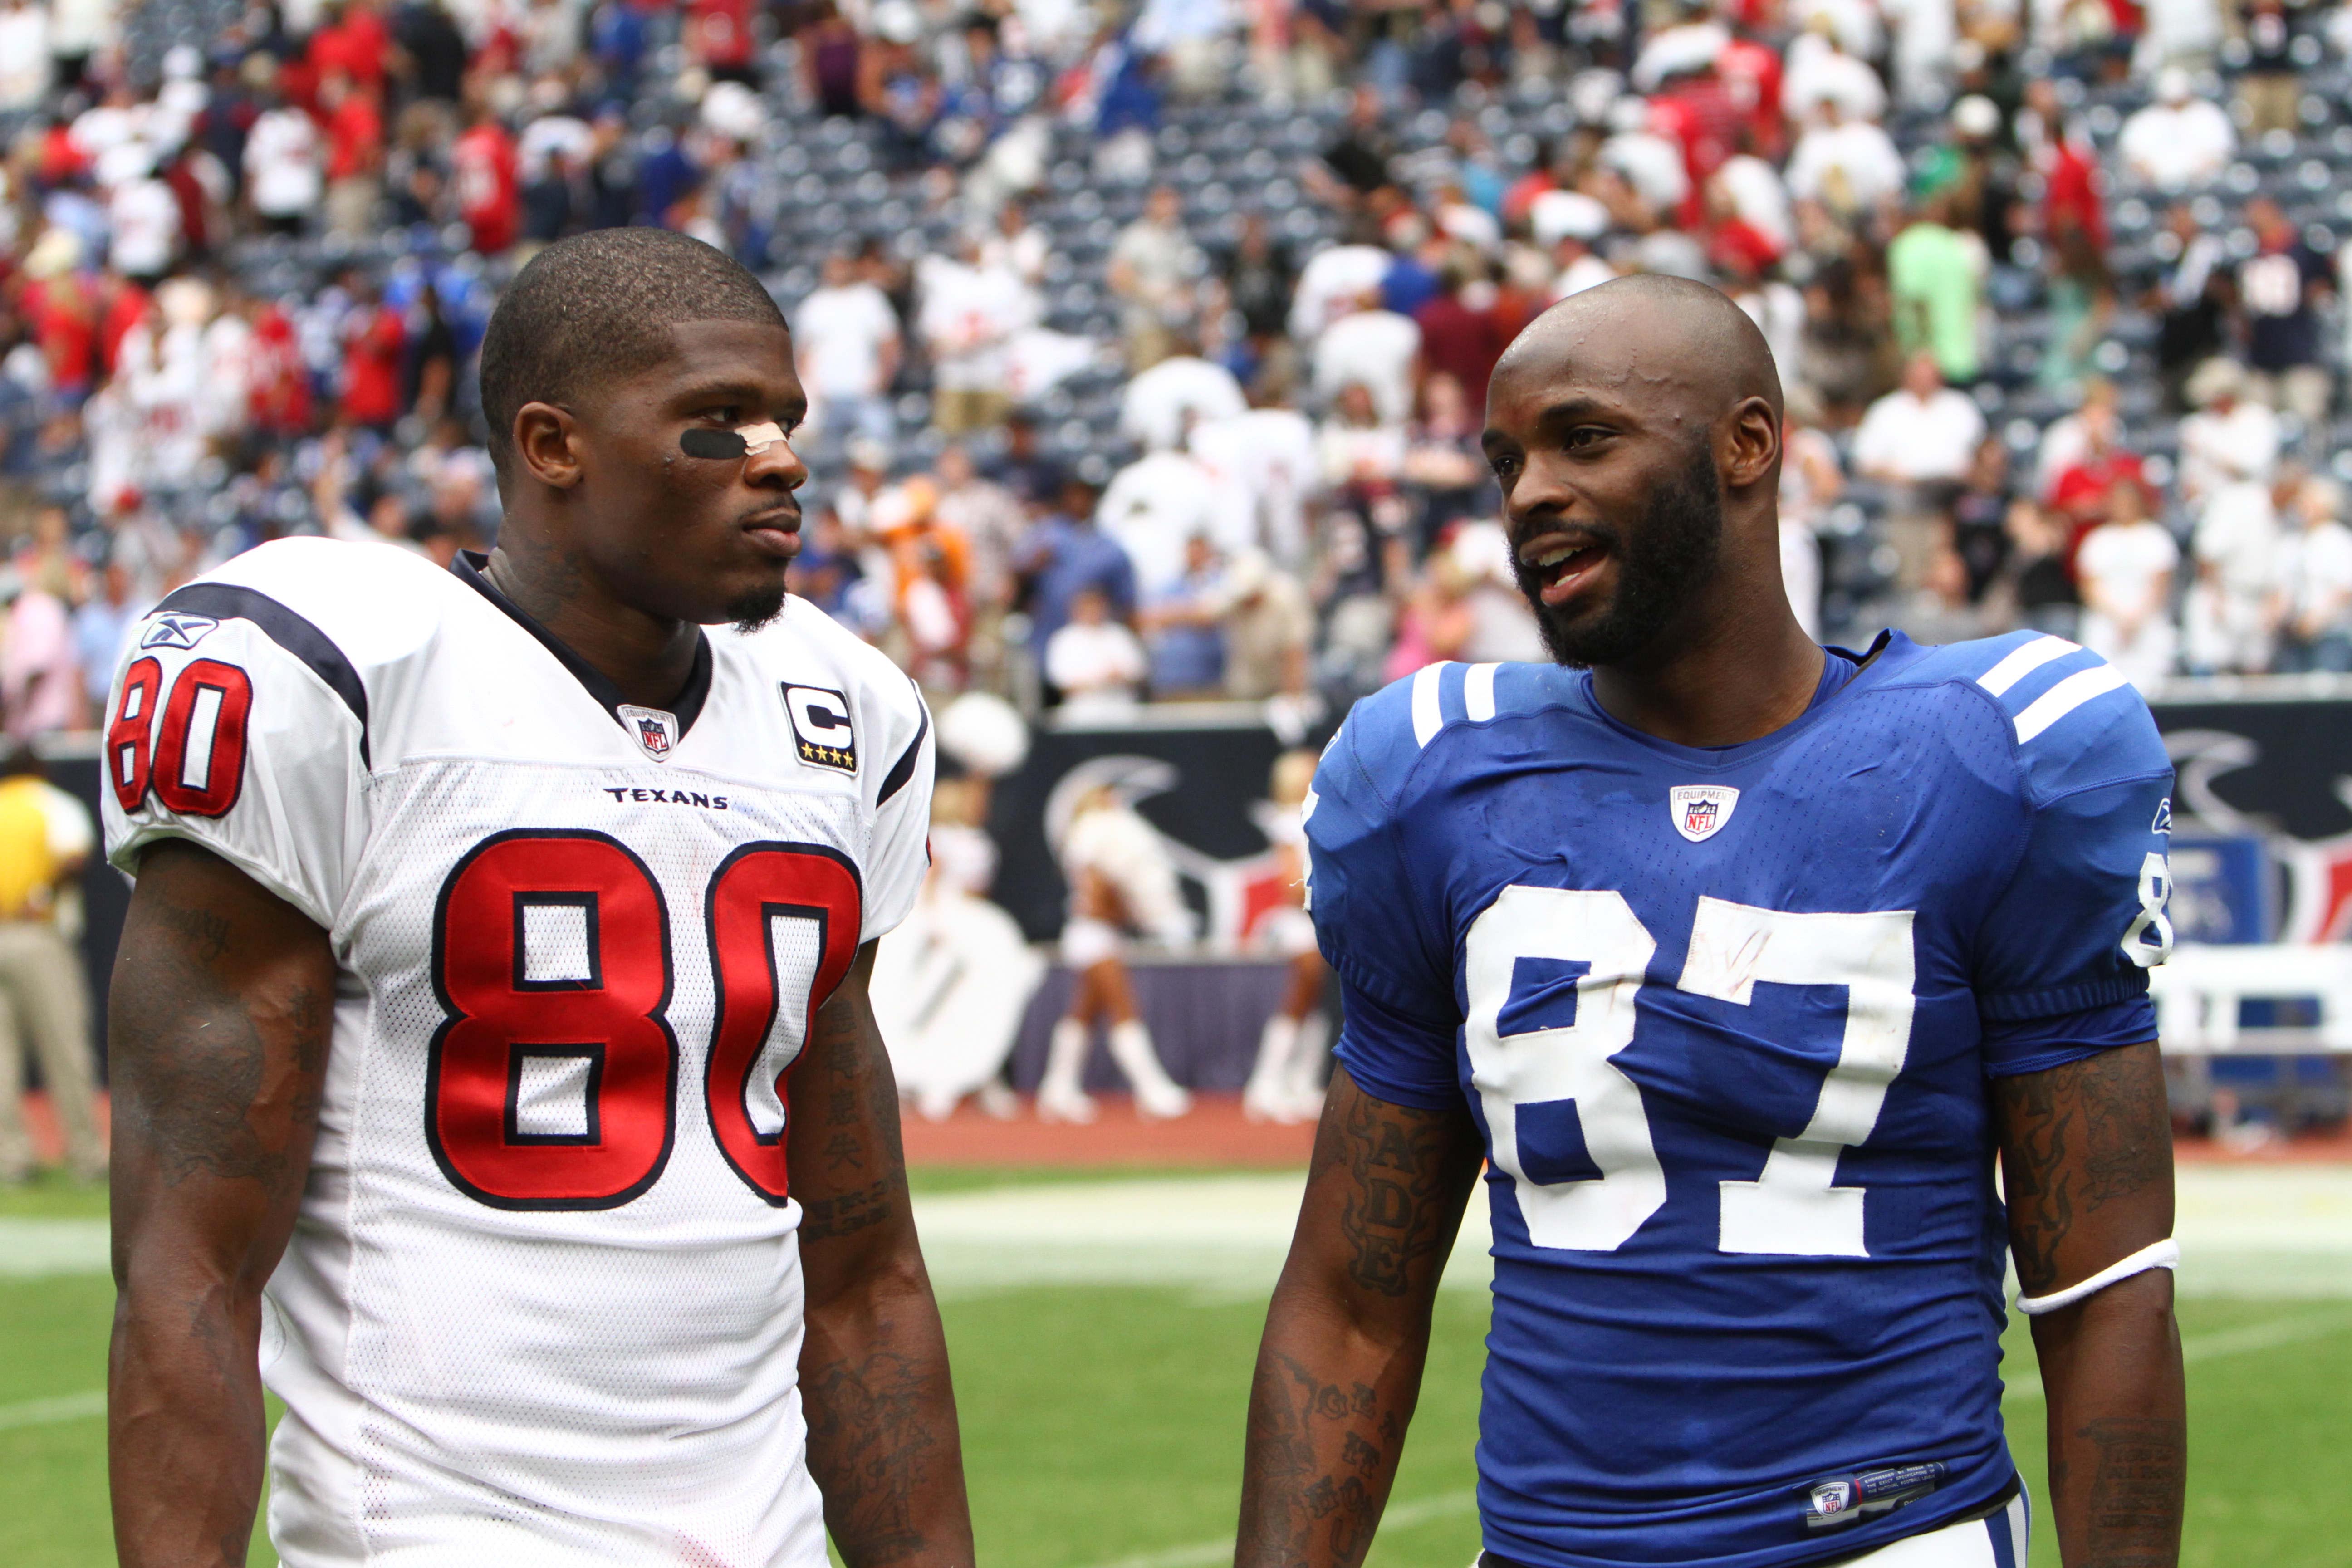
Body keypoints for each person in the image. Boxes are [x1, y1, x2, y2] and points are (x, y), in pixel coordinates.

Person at [1240, 276, 2184, 1568]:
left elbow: (2102, 1291)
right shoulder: (1428, 782)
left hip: (1895, 1540)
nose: (1529, 495)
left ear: (1749, 444)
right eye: (1506, 460)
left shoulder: (1991, 757)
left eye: (1584, 439)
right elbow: (1353, 1299)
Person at [101, 229, 974, 1565]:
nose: (780, 456)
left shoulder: (839, 713)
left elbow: (863, 1277)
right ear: (553, 445)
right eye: (713, 423)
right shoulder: (348, 677)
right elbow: (188, 1275)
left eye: (784, 419)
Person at [0, 743, 104, 1184]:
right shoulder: (53, 804)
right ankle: (87, 1154)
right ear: (39, 767)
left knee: (2, 1058)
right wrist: (41, 894)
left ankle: (11, 1159)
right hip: (36, 933)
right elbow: (74, 856)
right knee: (65, 1045)